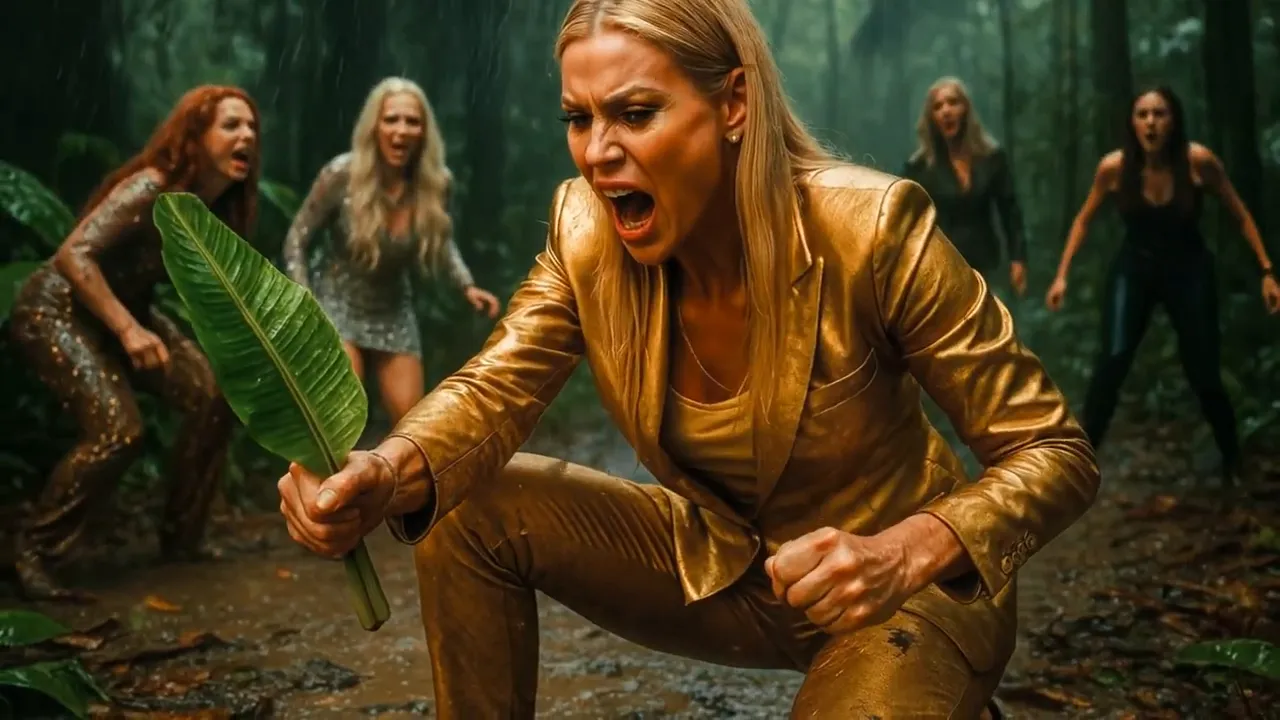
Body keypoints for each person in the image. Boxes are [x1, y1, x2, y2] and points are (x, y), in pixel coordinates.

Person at [278, 1, 1099, 716]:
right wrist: (384, 472)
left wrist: (903, 552)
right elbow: (495, 387)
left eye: (635, 114)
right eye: (578, 118)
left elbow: (1056, 453)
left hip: (907, 593)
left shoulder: (871, 229)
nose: (597, 152)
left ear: (733, 101)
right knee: (461, 501)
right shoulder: (585, 228)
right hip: (726, 571)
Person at [9, 85, 260, 601]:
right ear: (195, 135)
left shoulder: (210, 209)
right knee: (119, 432)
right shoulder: (151, 187)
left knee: (213, 394)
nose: (247, 136)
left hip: (130, 311)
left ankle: (181, 539)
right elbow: (73, 254)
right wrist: (127, 329)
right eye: (231, 125)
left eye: (252, 127)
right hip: (57, 310)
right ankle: (35, 551)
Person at [1046, 85, 1279, 482]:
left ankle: (1232, 461)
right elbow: (1084, 219)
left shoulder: (1199, 162)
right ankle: (1080, 464)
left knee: (1203, 366)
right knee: (1114, 358)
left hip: (1188, 268)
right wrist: (1062, 275)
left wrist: (1267, 271)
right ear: (1132, 123)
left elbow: (1239, 214)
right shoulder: (1115, 168)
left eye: (1160, 114)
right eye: (1143, 115)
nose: (1151, 123)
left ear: (1174, 121)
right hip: (1135, 266)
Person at [283, 77, 502, 427]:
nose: (401, 131)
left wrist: (466, 285)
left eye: (411, 121)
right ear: (375, 126)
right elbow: (297, 237)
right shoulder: (342, 174)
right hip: (336, 298)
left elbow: (442, 239)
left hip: (391, 305)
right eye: (391, 119)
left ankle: (400, 483)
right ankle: (329, 481)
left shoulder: (436, 183)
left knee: (414, 427)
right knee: (340, 420)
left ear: (424, 131)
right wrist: (303, 298)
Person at [902, 76, 1028, 298]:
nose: (946, 111)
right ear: (931, 118)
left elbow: (1010, 211)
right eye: (938, 106)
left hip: (987, 265)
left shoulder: (991, 158)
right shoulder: (919, 167)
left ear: (965, 109)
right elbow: (907, 222)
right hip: (940, 271)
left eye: (953, 102)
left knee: (991, 329)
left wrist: (1018, 258)